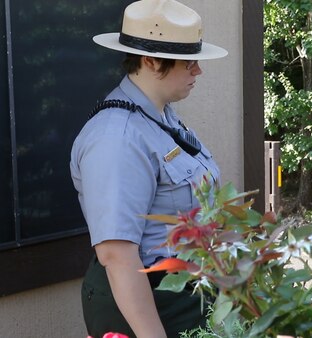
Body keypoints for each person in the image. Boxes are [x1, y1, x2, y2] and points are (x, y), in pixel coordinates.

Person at [70, 1, 227, 337]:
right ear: (152, 60)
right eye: (188, 62)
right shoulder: (118, 137)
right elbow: (117, 255)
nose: (197, 71)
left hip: (185, 293)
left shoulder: (160, 119)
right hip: (152, 303)